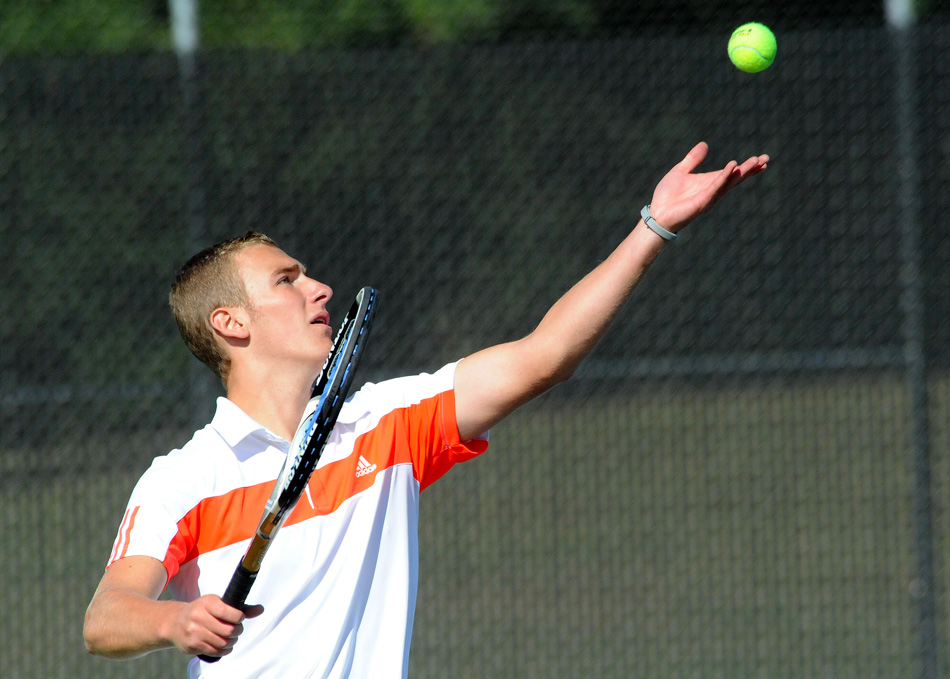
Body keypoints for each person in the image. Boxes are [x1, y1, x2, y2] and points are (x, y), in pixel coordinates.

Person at [83, 142, 768, 677]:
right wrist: (175, 623)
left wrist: (654, 226)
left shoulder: (387, 422)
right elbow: (106, 617)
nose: (320, 288)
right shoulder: (181, 479)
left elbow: (545, 355)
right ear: (230, 322)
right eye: (287, 280)